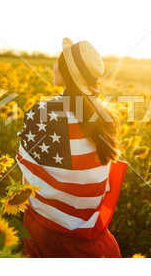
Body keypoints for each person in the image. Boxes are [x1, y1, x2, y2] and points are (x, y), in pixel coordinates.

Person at [15, 37, 127, 258]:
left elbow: (26, 169)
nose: (53, 66)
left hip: (48, 229)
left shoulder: (43, 112)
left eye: (58, 62)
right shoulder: (106, 115)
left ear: (66, 72)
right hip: (92, 228)